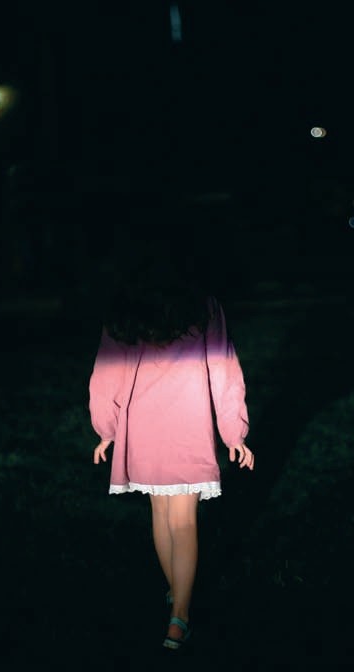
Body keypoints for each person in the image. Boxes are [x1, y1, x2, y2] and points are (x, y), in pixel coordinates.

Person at [87, 238, 254, 651]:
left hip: (143, 427)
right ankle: (180, 615)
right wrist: (234, 432)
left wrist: (106, 429)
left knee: (162, 517)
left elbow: (105, 373)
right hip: (188, 426)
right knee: (183, 522)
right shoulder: (204, 307)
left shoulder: (126, 309)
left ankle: (177, 598)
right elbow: (224, 369)